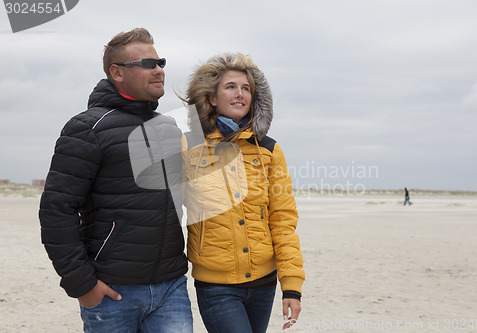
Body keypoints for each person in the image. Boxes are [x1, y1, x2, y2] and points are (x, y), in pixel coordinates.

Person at [39, 28, 193, 333]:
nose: (159, 70)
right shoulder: (87, 128)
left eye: (160, 61)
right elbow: (57, 210)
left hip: (171, 286)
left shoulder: (169, 128)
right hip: (112, 291)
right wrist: (83, 285)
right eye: (148, 64)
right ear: (117, 72)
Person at [180, 53, 305, 332]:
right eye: (231, 87)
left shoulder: (270, 150)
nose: (240, 94)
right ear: (212, 98)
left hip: (264, 283)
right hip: (215, 286)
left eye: (246, 88)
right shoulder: (188, 146)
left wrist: (292, 286)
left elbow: (283, 220)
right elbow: (159, 208)